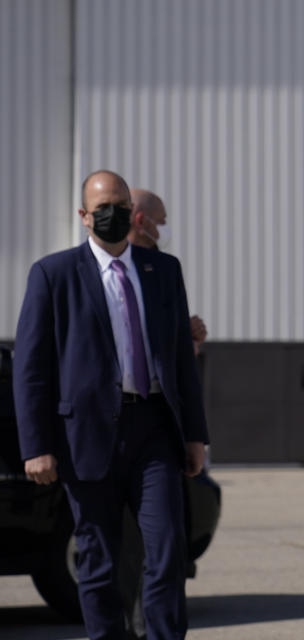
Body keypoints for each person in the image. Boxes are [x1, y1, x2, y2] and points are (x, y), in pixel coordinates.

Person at [13, 169, 208, 640]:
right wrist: (35, 446)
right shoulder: (53, 274)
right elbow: (31, 368)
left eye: (120, 206)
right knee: (97, 561)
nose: (113, 215)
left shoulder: (163, 271)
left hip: (154, 428)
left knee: (166, 552)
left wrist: (197, 434)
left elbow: (181, 357)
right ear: (84, 216)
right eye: (102, 208)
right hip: (87, 436)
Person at [128, 188, 208, 356]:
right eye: (161, 221)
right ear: (140, 221)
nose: (164, 228)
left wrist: (186, 333)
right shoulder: (114, 268)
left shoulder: (164, 268)